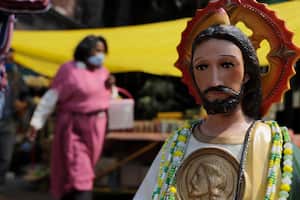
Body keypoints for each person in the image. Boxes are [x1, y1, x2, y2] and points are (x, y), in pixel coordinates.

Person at [133, 1, 300, 200]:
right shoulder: (178, 145)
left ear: (247, 73)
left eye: (227, 64)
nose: (214, 80)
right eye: (202, 67)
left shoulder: (275, 145)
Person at [28, 35, 113, 200]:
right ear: (86, 50)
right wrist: (36, 123)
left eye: (103, 52)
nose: (100, 55)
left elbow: (108, 98)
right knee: (80, 169)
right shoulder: (69, 70)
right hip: (74, 128)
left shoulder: (104, 72)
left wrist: (111, 86)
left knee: (80, 169)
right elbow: (51, 97)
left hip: (97, 128)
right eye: (97, 50)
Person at [0, 49, 29, 185]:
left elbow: (25, 96)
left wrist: (22, 104)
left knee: (5, 157)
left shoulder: (16, 76)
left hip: (8, 121)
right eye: (7, 55)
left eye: (12, 55)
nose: (10, 58)